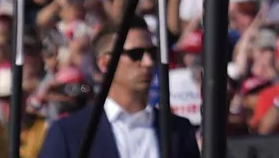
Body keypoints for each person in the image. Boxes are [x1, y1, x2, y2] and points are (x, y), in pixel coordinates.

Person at [37, 23, 199, 158]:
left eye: (152, 53)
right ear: (105, 64)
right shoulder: (70, 133)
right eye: (136, 54)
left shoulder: (179, 130)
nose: (148, 62)